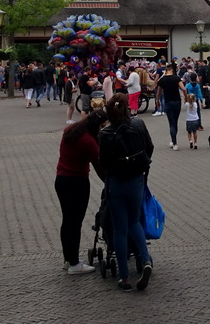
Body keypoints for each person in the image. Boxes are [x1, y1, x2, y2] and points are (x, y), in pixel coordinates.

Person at [98, 93, 154, 292]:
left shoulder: (105, 133)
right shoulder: (138, 125)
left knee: (120, 229)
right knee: (134, 222)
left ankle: (125, 278)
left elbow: (102, 162)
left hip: (116, 183)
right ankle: (145, 260)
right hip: (136, 180)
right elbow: (150, 147)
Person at [55, 109, 106, 274]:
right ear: (97, 125)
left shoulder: (70, 131)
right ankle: (75, 263)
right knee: (75, 222)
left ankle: (67, 258)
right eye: (102, 126)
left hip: (61, 179)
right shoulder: (88, 141)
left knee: (67, 220)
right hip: (77, 181)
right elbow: (99, 167)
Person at [155, 64, 187, 150]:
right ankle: (173, 141)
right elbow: (183, 89)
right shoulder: (176, 78)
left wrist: (157, 101)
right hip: (177, 102)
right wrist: (186, 98)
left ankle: (174, 142)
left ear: (166, 71)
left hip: (168, 102)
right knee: (175, 122)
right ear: (172, 71)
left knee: (171, 123)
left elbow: (159, 92)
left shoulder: (162, 80)